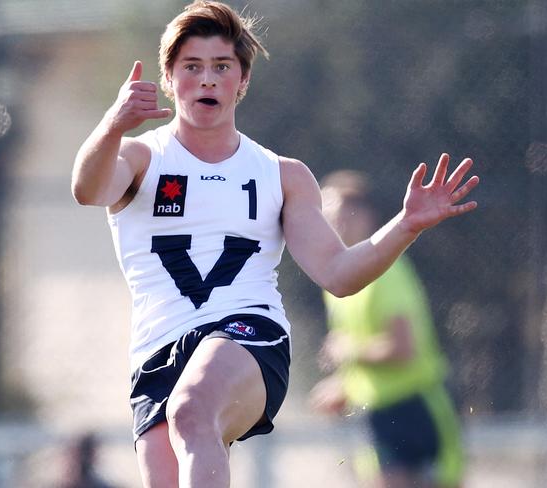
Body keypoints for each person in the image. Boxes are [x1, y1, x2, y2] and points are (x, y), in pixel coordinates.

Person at [70, 2, 479, 487]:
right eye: (192, 67)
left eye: (222, 67)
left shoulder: (281, 175)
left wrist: (406, 224)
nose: (207, 80)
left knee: (191, 409)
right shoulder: (139, 158)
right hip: (155, 355)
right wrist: (113, 125)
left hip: (250, 333)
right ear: (168, 78)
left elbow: (340, 273)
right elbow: (87, 190)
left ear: (242, 80)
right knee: (174, 454)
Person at [309, 170, 464, 488]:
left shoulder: (386, 271)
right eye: (327, 217)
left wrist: (348, 351)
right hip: (375, 413)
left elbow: (403, 349)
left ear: (366, 217)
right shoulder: (335, 280)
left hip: (415, 408)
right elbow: (363, 349)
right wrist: (343, 385)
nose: (334, 224)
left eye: (342, 216)